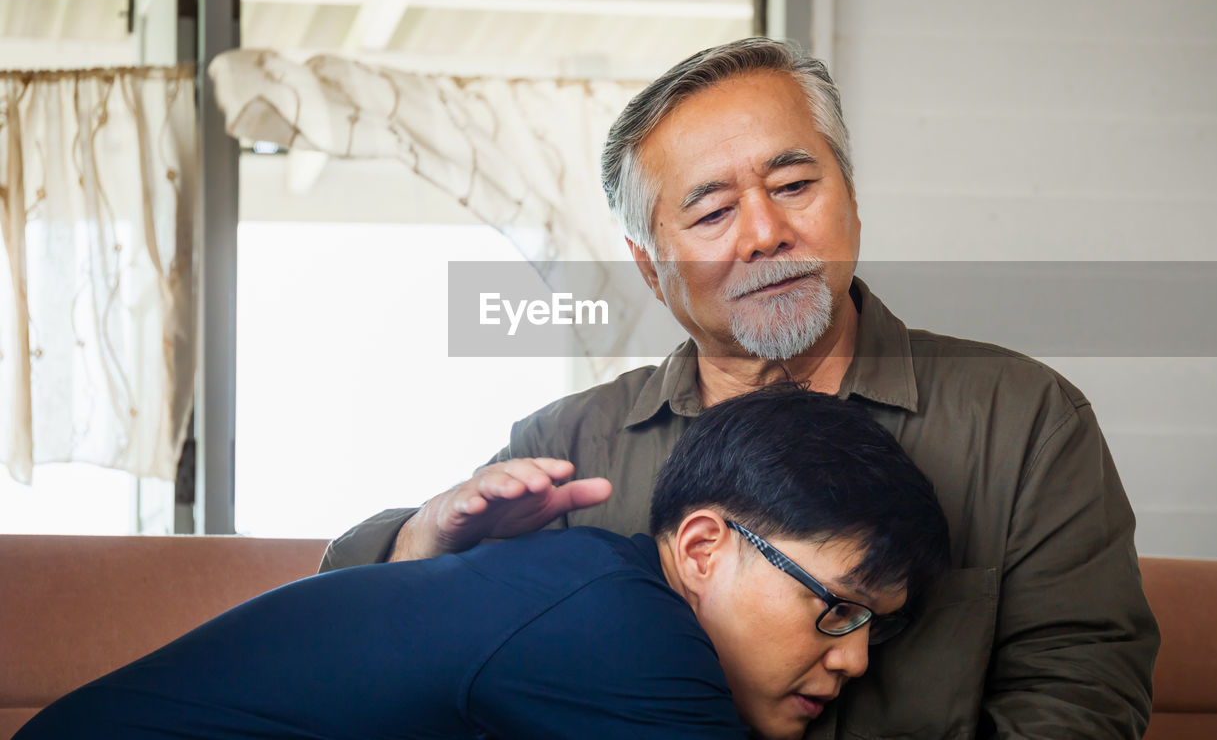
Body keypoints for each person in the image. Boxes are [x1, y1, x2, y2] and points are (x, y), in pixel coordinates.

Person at [323, 38, 1160, 738]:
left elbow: (1082, 695)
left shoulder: (1025, 419)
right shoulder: (570, 445)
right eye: (712, 211)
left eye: (795, 186)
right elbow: (378, 639)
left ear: (853, 199)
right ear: (652, 268)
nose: (765, 232)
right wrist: (421, 541)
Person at [15, 387, 950, 740]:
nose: (858, 658)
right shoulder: (629, 638)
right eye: (840, 607)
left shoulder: (595, 592)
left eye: (878, 625)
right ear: (704, 547)